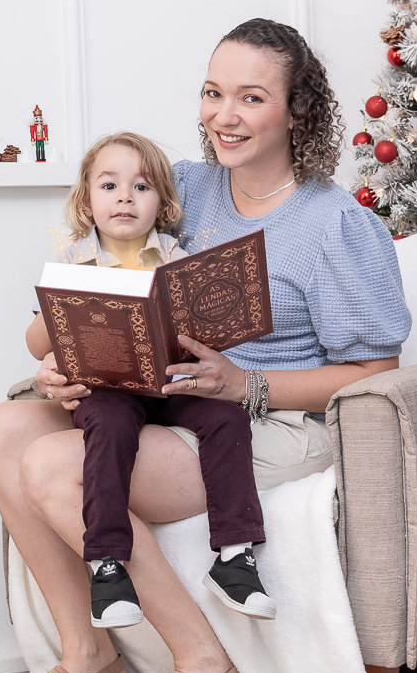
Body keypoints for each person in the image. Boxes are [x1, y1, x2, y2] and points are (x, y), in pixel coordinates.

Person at [0, 18, 411, 673]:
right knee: (1, 429)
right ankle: (91, 663)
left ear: (297, 112)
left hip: (268, 419)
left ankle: (210, 671)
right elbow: (97, 284)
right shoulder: (184, 185)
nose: (223, 117)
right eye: (213, 94)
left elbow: (377, 378)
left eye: (250, 98)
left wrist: (246, 382)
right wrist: (61, 357)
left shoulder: (337, 225)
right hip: (161, 397)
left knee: (53, 465)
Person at [26, 131, 275, 629]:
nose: (125, 197)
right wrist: (62, 307)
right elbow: (37, 343)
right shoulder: (73, 261)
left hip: (169, 382)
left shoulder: (175, 257)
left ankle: (235, 556)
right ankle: (108, 565)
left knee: (227, 417)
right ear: (86, 201)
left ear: (161, 203)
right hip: (110, 388)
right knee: (109, 426)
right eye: (109, 186)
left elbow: (201, 330)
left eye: (141, 187)